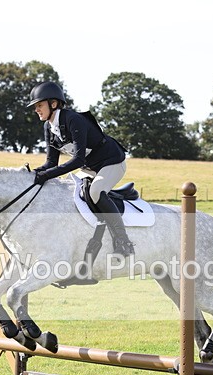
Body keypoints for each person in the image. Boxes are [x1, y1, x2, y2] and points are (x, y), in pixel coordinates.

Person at [28, 81, 135, 256]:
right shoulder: (48, 126)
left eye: (39, 105)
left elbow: (77, 160)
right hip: (90, 166)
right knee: (71, 193)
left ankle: (123, 241)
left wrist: (46, 175)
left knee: (95, 191)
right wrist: (33, 174)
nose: (36, 110)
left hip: (111, 161)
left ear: (53, 104)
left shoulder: (73, 119)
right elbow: (51, 164)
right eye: (35, 107)